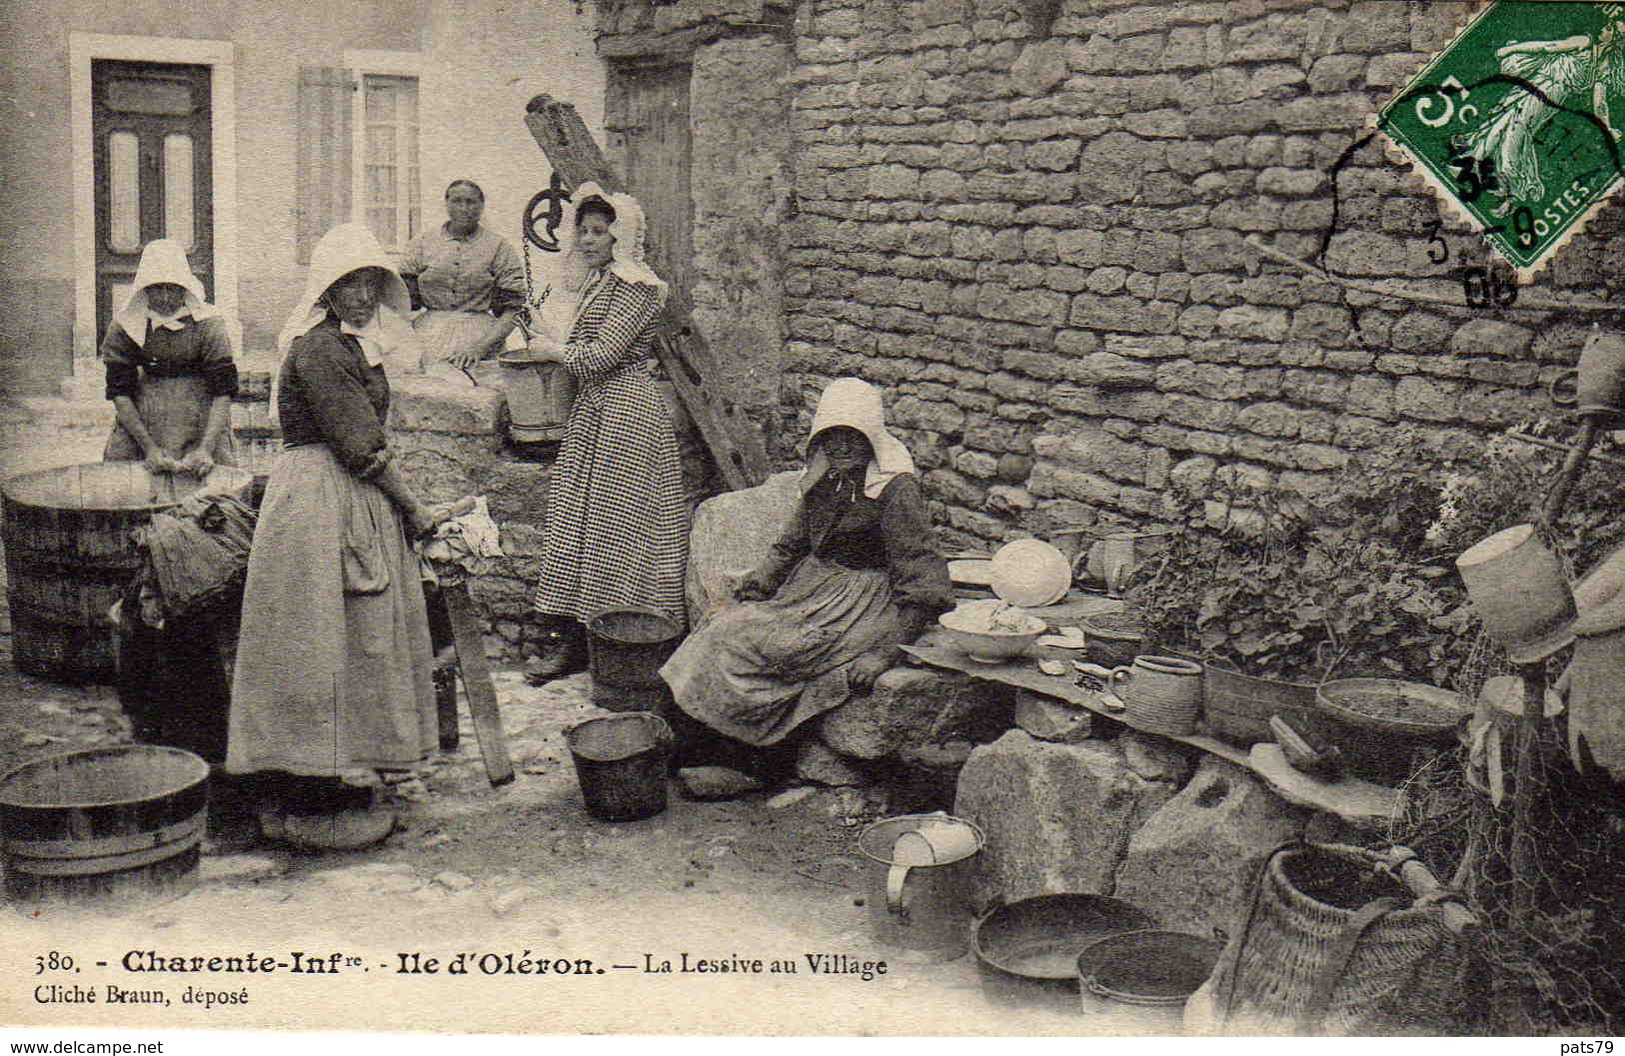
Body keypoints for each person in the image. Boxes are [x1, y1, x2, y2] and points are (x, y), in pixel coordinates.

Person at [226, 223, 450, 849]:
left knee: (354, 636)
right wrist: (416, 510)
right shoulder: (319, 349)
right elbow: (360, 447)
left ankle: (335, 770)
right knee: (315, 636)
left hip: (346, 495)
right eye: (348, 283)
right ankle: (306, 779)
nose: (360, 295)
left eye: (370, 283)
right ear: (326, 288)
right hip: (319, 497)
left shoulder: (354, 346)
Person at [660, 377, 954, 762]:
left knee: (755, 646)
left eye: (855, 436)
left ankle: (751, 759)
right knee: (718, 625)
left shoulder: (896, 490)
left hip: (863, 602)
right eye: (833, 436)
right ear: (821, 438)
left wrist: (884, 654)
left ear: (873, 438)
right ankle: (694, 745)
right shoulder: (825, 477)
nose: (843, 446)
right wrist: (761, 580)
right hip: (815, 587)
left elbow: (924, 584)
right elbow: (792, 542)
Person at [523, 183, 688, 679]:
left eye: (601, 231)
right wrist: (547, 333)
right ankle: (578, 638)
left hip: (628, 415)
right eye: (585, 229)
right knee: (582, 525)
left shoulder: (636, 287)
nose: (589, 239)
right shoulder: (598, 283)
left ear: (622, 238)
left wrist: (554, 351)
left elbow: (600, 357)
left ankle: (625, 642)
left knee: (620, 530)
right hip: (597, 412)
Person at [98, 239, 237, 473]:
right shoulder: (125, 326)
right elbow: (120, 393)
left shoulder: (209, 324)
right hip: (143, 421)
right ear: (144, 290)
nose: (164, 298)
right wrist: (149, 449)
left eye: (172, 288)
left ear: (185, 289)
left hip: (200, 420)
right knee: (129, 488)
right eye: (156, 288)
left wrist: (205, 448)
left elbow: (223, 391)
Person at [398, 179, 527, 377]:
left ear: (482, 206)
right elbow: (401, 302)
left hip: (481, 334)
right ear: (446, 204)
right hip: (429, 333)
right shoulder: (422, 243)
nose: (464, 208)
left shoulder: (499, 247)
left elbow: (513, 310)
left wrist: (480, 347)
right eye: (457, 201)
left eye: (471, 202)